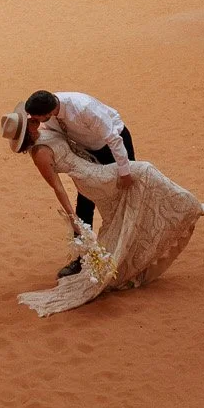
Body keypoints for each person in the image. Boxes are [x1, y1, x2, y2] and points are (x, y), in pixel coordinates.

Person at [0, 99, 204, 317]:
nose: (31, 119)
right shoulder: (40, 153)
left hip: (92, 167)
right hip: (92, 178)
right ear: (27, 132)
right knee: (145, 170)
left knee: (131, 197)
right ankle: (191, 205)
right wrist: (72, 217)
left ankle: (127, 253)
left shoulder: (47, 128)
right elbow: (57, 187)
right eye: (28, 121)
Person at [23, 89, 134, 279]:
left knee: (127, 197)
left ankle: (131, 251)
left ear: (47, 113)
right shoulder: (48, 112)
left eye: (36, 118)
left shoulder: (84, 108)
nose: (34, 121)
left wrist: (125, 171)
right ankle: (82, 257)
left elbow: (113, 138)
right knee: (84, 202)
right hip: (87, 149)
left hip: (112, 144)